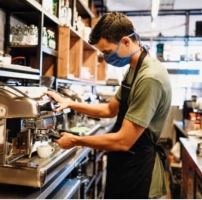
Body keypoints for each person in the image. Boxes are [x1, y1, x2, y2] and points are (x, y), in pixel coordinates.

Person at [45, 11, 172, 199]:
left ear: (126, 42)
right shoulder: (135, 69)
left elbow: (123, 141)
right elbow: (109, 110)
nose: (106, 58)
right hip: (125, 163)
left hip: (139, 170)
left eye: (107, 52)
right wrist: (70, 103)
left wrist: (76, 140)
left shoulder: (149, 78)